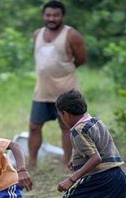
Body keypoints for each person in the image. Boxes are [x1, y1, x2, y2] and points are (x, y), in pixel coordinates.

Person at [28, 0, 87, 169]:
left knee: (67, 127)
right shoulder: (37, 34)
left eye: (55, 15)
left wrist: (63, 71)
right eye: (48, 15)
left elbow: (81, 59)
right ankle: (31, 163)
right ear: (43, 16)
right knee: (34, 126)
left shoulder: (71, 35)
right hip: (42, 91)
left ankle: (66, 163)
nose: (51, 18)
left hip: (66, 91)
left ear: (63, 16)